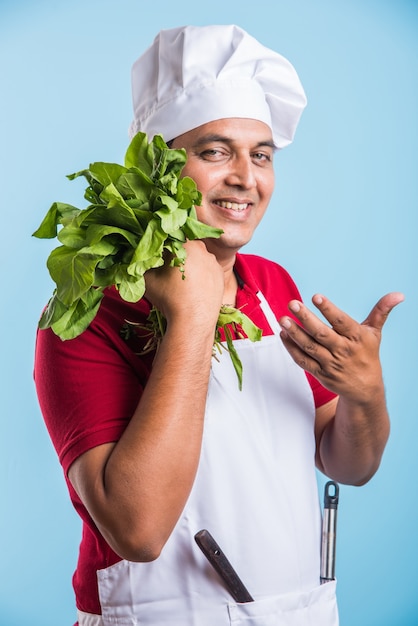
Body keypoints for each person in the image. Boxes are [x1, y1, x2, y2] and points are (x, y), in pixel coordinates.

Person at [34, 24, 403, 626]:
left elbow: (348, 464)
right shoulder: (85, 314)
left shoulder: (270, 286)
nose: (245, 178)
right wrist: (192, 318)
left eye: (261, 156)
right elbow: (139, 530)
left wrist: (366, 395)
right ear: (156, 168)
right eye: (214, 151)